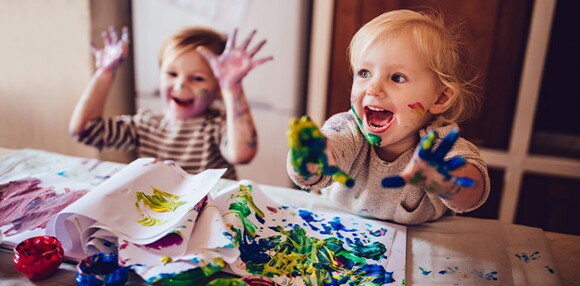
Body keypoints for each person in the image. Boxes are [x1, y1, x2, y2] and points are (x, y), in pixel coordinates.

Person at [287, 9, 490, 225]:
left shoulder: (439, 147)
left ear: (440, 98)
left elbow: (472, 195)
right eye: (365, 73)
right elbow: (314, 172)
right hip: (336, 232)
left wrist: (447, 182)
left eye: (397, 77)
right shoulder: (348, 129)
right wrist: (307, 162)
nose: (373, 88)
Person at [69, 26, 272, 180]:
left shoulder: (216, 127)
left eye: (198, 78)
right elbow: (84, 130)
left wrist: (232, 87)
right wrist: (104, 73)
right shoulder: (145, 125)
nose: (181, 85)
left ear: (218, 88)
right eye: (172, 74)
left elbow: (243, 154)